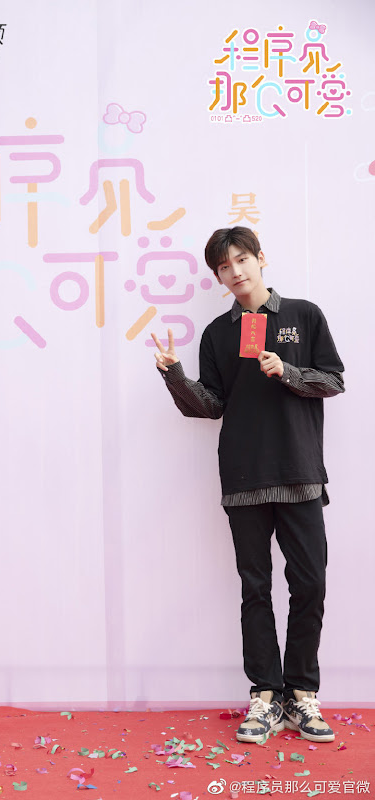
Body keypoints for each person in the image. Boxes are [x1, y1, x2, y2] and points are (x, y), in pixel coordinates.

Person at [152, 226, 344, 744]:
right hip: (243, 476)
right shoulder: (218, 333)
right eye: (224, 266)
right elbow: (212, 405)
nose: (235, 271)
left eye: (242, 259)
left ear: (261, 259)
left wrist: (288, 371)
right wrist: (174, 375)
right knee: (255, 588)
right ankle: (265, 694)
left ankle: (302, 693)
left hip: (299, 472)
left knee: (310, 584)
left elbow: (333, 380)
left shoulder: (304, 315)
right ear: (218, 277)